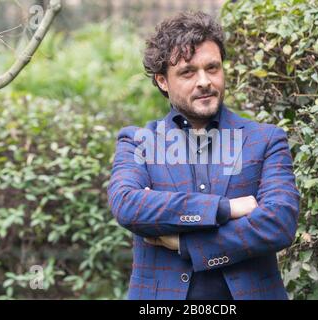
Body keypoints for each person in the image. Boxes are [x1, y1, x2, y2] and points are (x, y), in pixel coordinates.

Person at [107, 11, 300, 300]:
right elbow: (128, 205)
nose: (204, 81)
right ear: (162, 80)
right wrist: (226, 209)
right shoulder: (138, 142)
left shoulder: (265, 140)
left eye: (212, 68)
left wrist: (184, 244)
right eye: (188, 72)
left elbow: (279, 223)